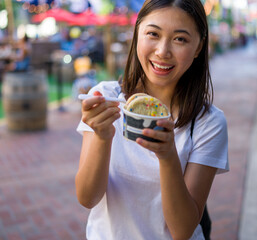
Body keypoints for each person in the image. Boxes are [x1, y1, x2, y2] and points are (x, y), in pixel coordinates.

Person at [75, 0, 229, 239]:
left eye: (180, 39)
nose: (162, 51)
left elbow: (183, 230)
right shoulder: (105, 98)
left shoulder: (208, 123)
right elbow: (87, 198)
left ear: (199, 47)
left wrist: (168, 158)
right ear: (137, 34)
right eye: (153, 34)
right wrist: (102, 138)